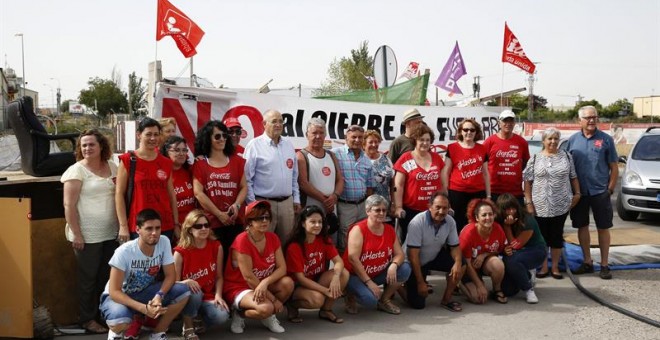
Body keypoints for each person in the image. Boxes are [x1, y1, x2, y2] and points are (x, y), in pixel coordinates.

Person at [100, 209, 190, 340]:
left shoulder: (164, 241)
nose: (154, 233)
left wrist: (159, 296)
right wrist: (144, 309)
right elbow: (114, 291)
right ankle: (116, 333)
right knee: (120, 321)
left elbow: (171, 276)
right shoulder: (123, 252)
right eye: (149, 229)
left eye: (157, 228)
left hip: (145, 292)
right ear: (137, 230)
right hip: (119, 296)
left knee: (183, 292)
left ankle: (158, 334)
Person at [61, 129, 119, 334]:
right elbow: (69, 205)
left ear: (101, 146)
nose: (87, 148)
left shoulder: (113, 166)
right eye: (83, 145)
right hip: (86, 235)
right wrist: (76, 233)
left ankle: (105, 316)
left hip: (111, 233)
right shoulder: (76, 171)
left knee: (106, 278)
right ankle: (87, 319)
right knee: (88, 280)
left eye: (91, 144)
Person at [223, 201, 294, 334]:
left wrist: (265, 282)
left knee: (288, 283)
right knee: (266, 308)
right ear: (249, 221)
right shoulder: (242, 240)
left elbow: (282, 268)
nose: (264, 221)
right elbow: (249, 277)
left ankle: (269, 316)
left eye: (267, 217)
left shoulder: (272, 237)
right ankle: (240, 314)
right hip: (240, 286)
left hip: (261, 283)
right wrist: (273, 300)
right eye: (259, 218)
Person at [566, 105, 618, 280]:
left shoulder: (606, 140)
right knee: (582, 226)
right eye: (588, 117)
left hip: (600, 192)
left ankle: (604, 265)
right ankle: (587, 262)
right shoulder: (572, 141)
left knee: (603, 227)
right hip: (580, 193)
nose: (591, 120)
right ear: (579, 120)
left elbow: (614, 167)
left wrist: (609, 190)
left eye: (594, 117)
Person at [523, 128, 581, 279]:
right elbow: (527, 182)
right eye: (549, 139)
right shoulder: (535, 158)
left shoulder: (566, 157)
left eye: (555, 139)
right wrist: (528, 202)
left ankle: (554, 266)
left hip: (561, 204)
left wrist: (577, 194)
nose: (553, 142)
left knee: (556, 235)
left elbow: (573, 176)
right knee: (542, 236)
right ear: (544, 141)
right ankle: (543, 267)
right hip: (539, 204)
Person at [343, 195, 411, 315]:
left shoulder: (389, 229)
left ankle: (384, 300)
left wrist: (394, 265)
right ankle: (349, 294)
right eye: (377, 210)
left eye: (384, 210)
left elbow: (400, 254)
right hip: (354, 275)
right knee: (370, 301)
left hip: (376, 272)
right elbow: (353, 259)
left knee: (404, 268)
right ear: (368, 211)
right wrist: (369, 282)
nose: (381, 213)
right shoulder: (358, 229)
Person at [115, 117, 179, 242]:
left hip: (164, 225)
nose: (153, 138)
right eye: (148, 134)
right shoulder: (128, 160)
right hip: (139, 225)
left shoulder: (166, 163)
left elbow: (171, 195)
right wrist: (123, 226)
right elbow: (119, 194)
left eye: (156, 134)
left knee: (162, 261)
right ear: (139, 135)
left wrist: (176, 224)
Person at [284, 205, 349, 324]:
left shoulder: (324, 239)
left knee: (343, 273)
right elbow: (300, 279)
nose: (318, 225)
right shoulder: (294, 246)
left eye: (320, 222)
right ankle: (291, 305)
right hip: (298, 285)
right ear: (303, 223)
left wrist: (335, 277)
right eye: (313, 222)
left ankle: (326, 310)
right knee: (317, 300)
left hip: (316, 279)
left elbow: (339, 261)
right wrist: (325, 291)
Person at [244, 109, 302, 241]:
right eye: (274, 121)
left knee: (286, 243)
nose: (278, 125)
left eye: (281, 121)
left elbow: (294, 176)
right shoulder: (254, 145)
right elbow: (247, 179)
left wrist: (296, 199)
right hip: (263, 204)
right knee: (261, 242)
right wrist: (253, 205)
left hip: (287, 204)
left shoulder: (288, 144)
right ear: (264, 124)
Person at [402, 192, 465, 311]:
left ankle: (446, 300)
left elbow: (455, 247)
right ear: (429, 206)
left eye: (445, 208)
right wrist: (421, 283)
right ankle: (400, 286)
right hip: (413, 262)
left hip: (433, 256)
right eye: (438, 207)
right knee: (418, 304)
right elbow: (413, 255)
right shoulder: (417, 222)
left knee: (462, 263)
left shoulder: (450, 221)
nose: (441, 211)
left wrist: (457, 263)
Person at [192, 120, 247, 257]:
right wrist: (219, 214)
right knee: (216, 260)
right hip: (212, 223)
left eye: (224, 135)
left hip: (235, 220)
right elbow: (198, 193)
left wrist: (237, 205)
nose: (222, 139)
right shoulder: (200, 164)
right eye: (217, 136)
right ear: (208, 139)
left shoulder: (237, 161)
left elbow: (244, 187)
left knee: (235, 259)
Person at [174, 210, 230, 339]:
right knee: (195, 291)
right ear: (189, 229)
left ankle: (199, 320)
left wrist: (218, 295)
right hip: (189, 295)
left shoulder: (216, 246)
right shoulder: (180, 251)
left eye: (206, 225)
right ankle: (188, 326)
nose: (203, 228)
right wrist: (185, 282)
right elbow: (174, 283)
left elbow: (219, 276)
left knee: (222, 316)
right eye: (198, 226)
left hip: (208, 295)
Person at [393, 124, 445, 241]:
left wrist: (446, 203)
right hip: (412, 211)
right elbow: (398, 185)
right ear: (414, 141)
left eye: (428, 140)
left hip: (434, 210)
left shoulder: (437, 158)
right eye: (421, 140)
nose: (425, 143)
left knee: (432, 241)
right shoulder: (406, 158)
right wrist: (398, 207)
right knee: (412, 243)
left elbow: (442, 184)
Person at [331, 125, 375, 254]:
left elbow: (370, 185)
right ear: (346, 138)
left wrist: (367, 206)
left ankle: (357, 267)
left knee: (361, 235)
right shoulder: (335, 154)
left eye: (360, 137)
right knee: (345, 237)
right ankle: (345, 268)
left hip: (362, 205)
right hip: (345, 205)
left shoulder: (366, 159)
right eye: (353, 137)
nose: (357, 140)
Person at [441, 118, 491, 232]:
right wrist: (445, 191)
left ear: (476, 132)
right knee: (457, 223)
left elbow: (486, 173)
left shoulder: (482, 148)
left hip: (478, 192)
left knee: (477, 223)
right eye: (466, 129)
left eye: (472, 130)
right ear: (461, 131)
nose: (469, 132)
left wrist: (488, 196)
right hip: (457, 193)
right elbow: (446, 171)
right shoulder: (452, 148)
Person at [496, 194, 547, 304]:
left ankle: (528, 289)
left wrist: (507, 226)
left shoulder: (527, 220)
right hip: (515, 253)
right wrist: (504, 250)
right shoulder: (498, 220)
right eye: (507, 209)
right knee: (507, 290)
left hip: (535, 250)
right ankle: (526, 274)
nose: (510, 212)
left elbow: (515, 245)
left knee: (510, 260)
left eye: (513, 208)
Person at [458, 199, 507, 304]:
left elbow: (499, 250)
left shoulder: (498, 229)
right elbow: (466, 262)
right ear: (476, 218)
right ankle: (458, 282)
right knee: (478, 299)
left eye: (490, 214)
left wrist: (484, 255)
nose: (488, 218)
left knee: (498, 265)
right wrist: (479, 285)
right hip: (467, 267)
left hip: (483, 263)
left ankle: (497, 290)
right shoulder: (468, 234)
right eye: (484, 215)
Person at [297, 118, 344, 214]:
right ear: (307, 135)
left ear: (325, 135)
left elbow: (340, 179)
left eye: (321, 133)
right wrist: (325, 201)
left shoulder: (331, 155)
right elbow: (303, 183)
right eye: (314, 133)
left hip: (330, 207)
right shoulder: (301, 156)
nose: (318, 136)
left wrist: (335, 196)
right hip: (310, 207)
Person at [483, 109, 530, 203]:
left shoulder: (522, 142)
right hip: (494, 191)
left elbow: (526, 164)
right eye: (505, 121)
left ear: (514, 123)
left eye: (511, 121)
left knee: (515, 218)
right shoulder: (490, 141)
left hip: (515, 192)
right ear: (499, 123)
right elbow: (482, 165)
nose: (508, 123)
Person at [162, 136, 196, 228]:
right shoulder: (162, 174)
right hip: (170, 226)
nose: (181, 153)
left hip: (191, 225)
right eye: (177, 150)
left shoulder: (191, 171)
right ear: (167, 152)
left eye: (184, 150)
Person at [363, 129, 394, 212]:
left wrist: (394, 203)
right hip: (366, 207)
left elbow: (393, 183)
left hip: (384, 205)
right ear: (364, 144)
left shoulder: (386, 159)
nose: (374, 144)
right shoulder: (360, 160)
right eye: (370, 142)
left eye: (376, 142)